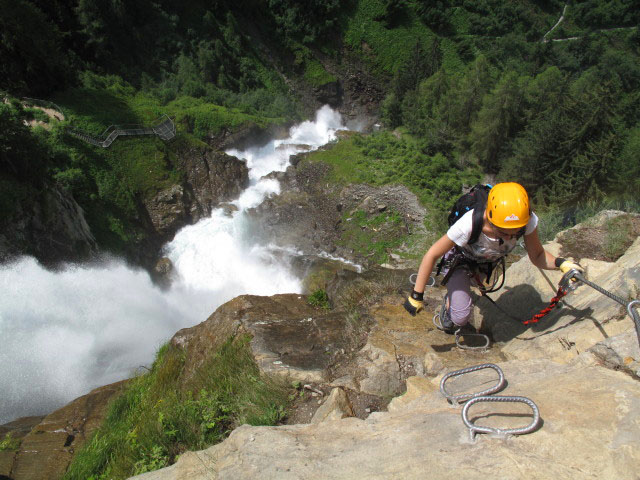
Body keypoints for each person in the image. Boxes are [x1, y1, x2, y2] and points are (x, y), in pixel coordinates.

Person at [403, 182, 583, 333]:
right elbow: (433, 254)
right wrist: (417, 295)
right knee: (460, 318)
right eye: (502, 232)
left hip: (486, 262)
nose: (509, 236)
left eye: (515, 232)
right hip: (459, 261)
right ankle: (450, 305)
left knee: (472, 288)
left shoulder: (526, 221)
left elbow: (537, 255)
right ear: (490, 217)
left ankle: (459, 294)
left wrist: (563, 264)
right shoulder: (469, 223)